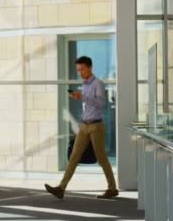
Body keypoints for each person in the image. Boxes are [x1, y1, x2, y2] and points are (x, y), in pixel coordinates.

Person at [45, 56, 118, 200]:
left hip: (96, 126)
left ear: (90, 68)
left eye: (82, 69)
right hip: (84, 125)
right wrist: (79, 99)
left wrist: (83, 97)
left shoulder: (98, 84)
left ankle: (112, 188)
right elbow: (88, 105)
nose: (80, 72)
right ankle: (61, 188)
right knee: (73, 157)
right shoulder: (84, 85)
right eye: (78, 70)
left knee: (101, 158)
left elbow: (101, 104)